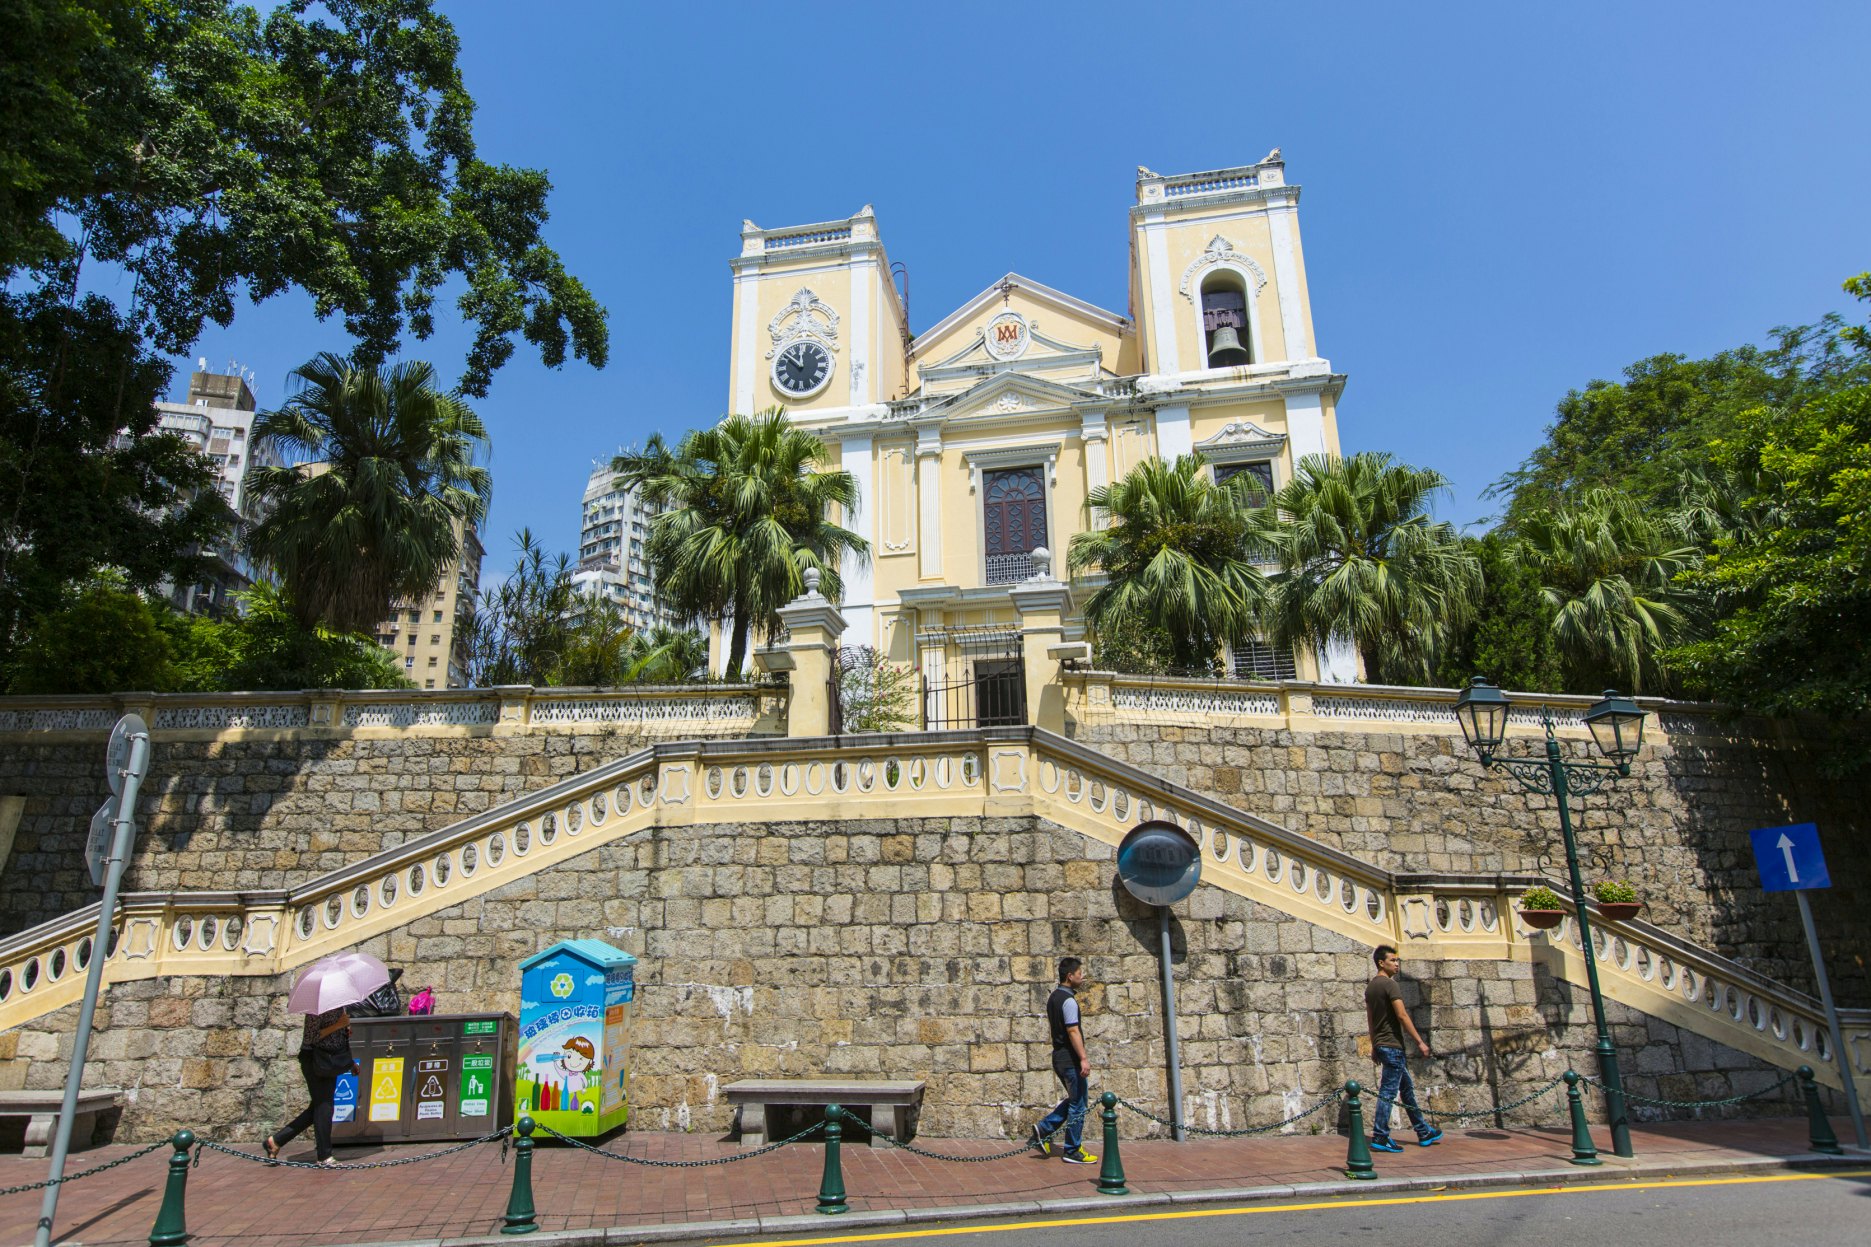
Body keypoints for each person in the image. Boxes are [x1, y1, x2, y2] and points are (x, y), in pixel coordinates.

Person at [1365, 944, 1442, 1152]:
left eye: (1397, 961)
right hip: (1392, 1046)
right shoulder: (1390, 985)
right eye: (1393, 960)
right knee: (1388, 1092)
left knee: (1406, 1090)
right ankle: (1380, 1135)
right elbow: (1402, 1015)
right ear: (1381, 963)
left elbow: (1371, 1021)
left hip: (1382, 1045)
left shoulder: (1371, 987)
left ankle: (1422, 1131)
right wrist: (1420, 1041)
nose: (1397, 964)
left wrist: (1374, 1046)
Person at [264, 1005, 355, 1166]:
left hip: (332, 1059)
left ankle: (276, 1141)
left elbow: (337, 1035)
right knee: (324, 1107)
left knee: (319, 1107)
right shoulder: (316, 1007)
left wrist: (345, 1035)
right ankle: (324, 1155)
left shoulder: (340, 1006)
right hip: (316, 1059)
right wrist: (338, 1025)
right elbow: (311, 1037)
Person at [1030, 957, 1098, 1164]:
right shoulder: (1068, 1000)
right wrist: (1083, 1058)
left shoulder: (1054, 997)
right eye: (1079, 973)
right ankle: (1072, 1149)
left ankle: (1044, 1129)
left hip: (1059, 1056)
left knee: (1076, 1099)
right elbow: (1072, 1029)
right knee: (1078, 1104)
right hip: (1069, 1058)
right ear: (1070, 976)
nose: (1082, 976)